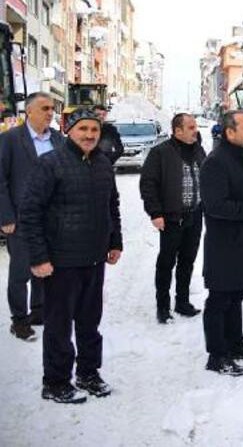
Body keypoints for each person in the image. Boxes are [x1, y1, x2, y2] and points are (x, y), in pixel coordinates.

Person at [19, 108, 122, 404]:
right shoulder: (50, 163)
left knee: (90, 322)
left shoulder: (103, 164)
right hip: (60, 261)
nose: (89, 135)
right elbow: (30, 212)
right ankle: (55, 381)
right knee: (59, 325)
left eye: (94, 130)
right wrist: (38, 258)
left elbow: (111, 206)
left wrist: (115, 241)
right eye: (83, 130)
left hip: (93, 258)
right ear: (69, 131)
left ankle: (88, 373)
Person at [200, 110, 243, 376]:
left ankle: (235, 343)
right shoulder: (216, 162)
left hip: (240, 242)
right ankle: (217, 355)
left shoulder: (239, 156)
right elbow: (215, 206)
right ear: (230, 133)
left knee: (237, 294)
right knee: (219, 298)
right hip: (223, 244)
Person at [0, 92, 64, 341]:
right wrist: (5, 216)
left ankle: (39, 311)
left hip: (52, 219)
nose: (50, 112)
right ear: (29, 111)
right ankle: (19, 320)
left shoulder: (58, 139)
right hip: (21, 218)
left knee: (46, 266)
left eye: (52, 108)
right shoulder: (10, 140)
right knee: (20, 272)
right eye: (44, 108)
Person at [140, 113, 207, 324]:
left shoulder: (199, 151)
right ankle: (162, 306)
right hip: (171, 218)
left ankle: (182, 302)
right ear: (177, 131)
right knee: (166, 263)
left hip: (195, 216)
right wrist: (155, 213)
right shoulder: (160, 152)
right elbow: (148, 184)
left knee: (187, 262)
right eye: (190, 127)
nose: (195, 130)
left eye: (195, 126)